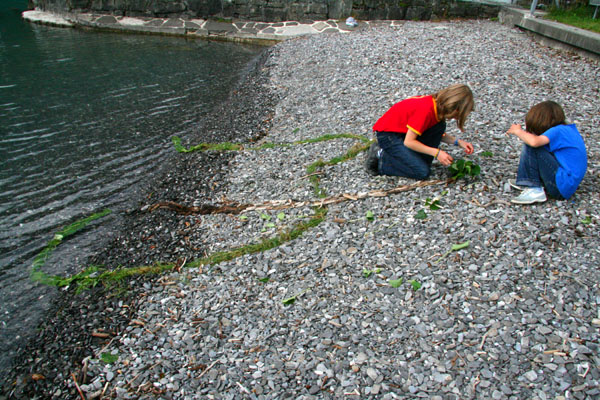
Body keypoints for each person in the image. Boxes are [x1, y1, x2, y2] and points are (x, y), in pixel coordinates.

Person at [365, 83, 475, 180]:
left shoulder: (437, 108)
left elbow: (438, 134)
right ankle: (380, 156)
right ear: (456, 110)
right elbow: (409, 142)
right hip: (388, 136)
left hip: (403, 132)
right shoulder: (426, 111)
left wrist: (458, 142)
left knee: (437, 131)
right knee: (422, 171)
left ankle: (408, 157)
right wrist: (437, 153)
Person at [506, 100, 587, 205]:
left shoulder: (558, 131)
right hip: (566, 185)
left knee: (532, 146)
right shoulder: (567, 130)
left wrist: (518, 131)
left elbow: (534, 142)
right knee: (537, 146)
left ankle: (533, 189)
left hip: (561, 187)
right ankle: (527, 180)